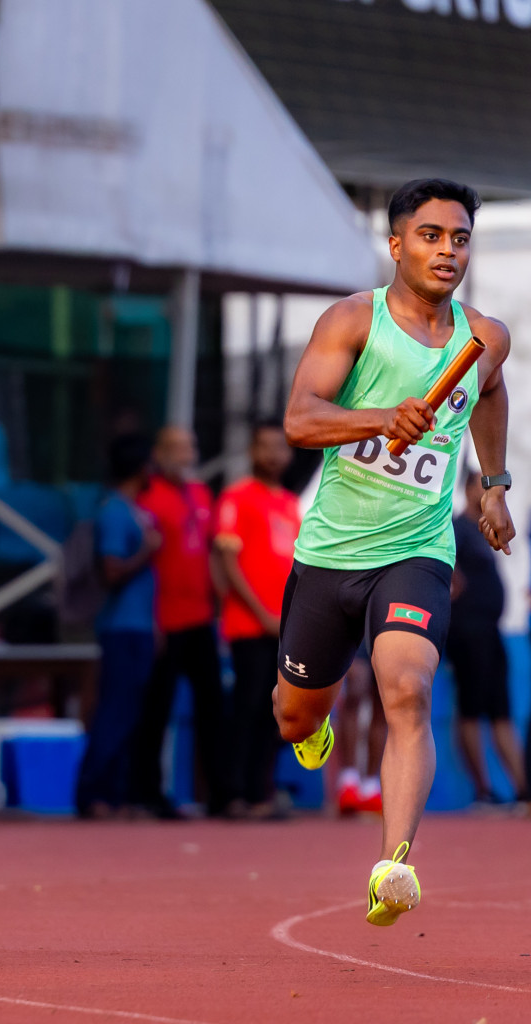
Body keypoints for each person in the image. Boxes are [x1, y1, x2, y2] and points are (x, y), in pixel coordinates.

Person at [277, 178, 515, 926]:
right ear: (396, 245)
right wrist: (381, 417)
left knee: (407, 688)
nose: (448, 252)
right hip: (331, 552)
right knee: (292, 714)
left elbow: (491, 392)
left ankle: (394, 866)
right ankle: (310, 728)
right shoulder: (354, 321)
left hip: (416, 549)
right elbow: (300, 420)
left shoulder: (487, 337)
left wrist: (495, 484)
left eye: (459, 238)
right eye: (431, 236)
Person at [131, 425, 228, 818]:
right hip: (163, 619)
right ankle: (149, 794)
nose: (186, 455)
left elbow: (211, 552)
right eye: (177, 448)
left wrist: (219, 603)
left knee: (213, 708)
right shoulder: (146, 497)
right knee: (157, 709)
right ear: (159, 453)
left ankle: (220, 795)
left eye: (190, 447)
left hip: (200, 617)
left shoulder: (202, 494)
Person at [213, 420, 300, 818]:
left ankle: (260, 792)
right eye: (265, 447)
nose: (273, 455)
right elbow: (227, 562)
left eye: (279, 447)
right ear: (251, 452)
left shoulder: (288, 503)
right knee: (246, 709)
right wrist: (262, 613)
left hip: (281, 629)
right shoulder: (236, 497)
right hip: (249, 626)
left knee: (276, 711)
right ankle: (233, 794)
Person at [74, 433, 158, 818]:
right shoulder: (114, 512)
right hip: (122, 627)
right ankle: (92, 792)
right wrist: (147, 551)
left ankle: (115, 794)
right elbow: (111, 571)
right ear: (141, 469)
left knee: (130, 711)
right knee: (115, 710)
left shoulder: (130, 508)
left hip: (138, 625)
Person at [445, 468, 527, 804]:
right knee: (471, 709)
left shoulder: (482, 529)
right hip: (468, 632)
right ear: (466, 489)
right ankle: (482, 790)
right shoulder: (456, 527)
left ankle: (524, 789)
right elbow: (445, 570)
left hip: (491, 632)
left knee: (501, 711)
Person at [334, 648, 386, 815]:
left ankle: (371, 786)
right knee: (355, 691)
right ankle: (348, 780)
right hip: (359, 633)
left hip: (388, 629)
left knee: (382, 704)